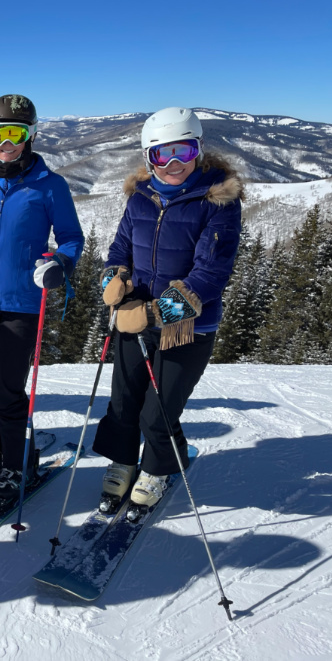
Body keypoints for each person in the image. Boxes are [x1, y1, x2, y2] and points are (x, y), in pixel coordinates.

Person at [95, 107, 242, 511]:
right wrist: (113, 281)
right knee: (123, 401)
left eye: (184, 151)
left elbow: (210, 276)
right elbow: (120, 249)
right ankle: (123, 460)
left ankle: (157, 470)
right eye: (163, 154)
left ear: (199, 150)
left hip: (188, 327)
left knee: (158, 410)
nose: (174, 163)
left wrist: (153, 314)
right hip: (134, 315)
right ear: (149, 157)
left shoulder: (217, 201)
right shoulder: (140, 196)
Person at [0, 94, 84, 514]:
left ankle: (16, 464)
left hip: (22, 303)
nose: (7, 143)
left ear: (31, 136)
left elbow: (71, 238)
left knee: (7, 387)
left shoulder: (49, 185)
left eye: (16, 133)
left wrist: (60, 264)